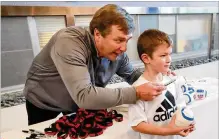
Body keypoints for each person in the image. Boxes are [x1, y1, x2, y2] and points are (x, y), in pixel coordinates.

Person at [24, 4, 166, 126]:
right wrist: (136, 93)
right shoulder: (69, 42)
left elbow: (133, 75)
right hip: (44, 100)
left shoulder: (118, 53)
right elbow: (85, 96)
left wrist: (157, 77)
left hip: (77, 102)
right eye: (118, 40)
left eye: (127, 41)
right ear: (97, 34)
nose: (124, 48)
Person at [128, 29, 195, 139]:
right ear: (146, 58)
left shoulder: (172, 80)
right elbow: (137, 124)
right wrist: (166, 131)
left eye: (169, 54)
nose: (169, 59)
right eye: (163, 55)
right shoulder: (138, 89)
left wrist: (187, 122)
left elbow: (180, 108)